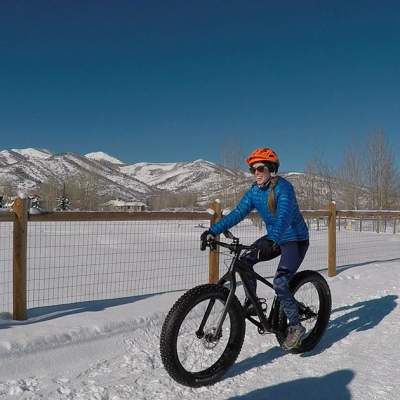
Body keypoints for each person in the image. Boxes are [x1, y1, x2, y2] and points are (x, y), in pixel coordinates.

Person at [201, 147, 309, 350]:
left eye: (261, 168)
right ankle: (254, 302)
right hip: (273, 237)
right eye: (253, 170)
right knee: (243, 262)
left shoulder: (283, 188)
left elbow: (284, 215)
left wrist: (273, 240)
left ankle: (295, 326)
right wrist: (212, 231)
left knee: (280, 282)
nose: (256, 173)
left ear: (271, 169)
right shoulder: (254, 192)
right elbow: (238, 213)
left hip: (295, 239)